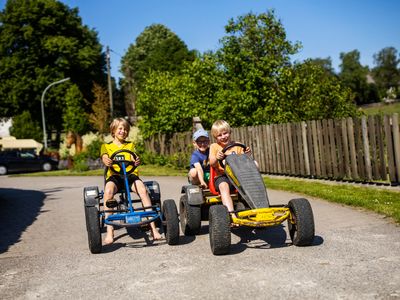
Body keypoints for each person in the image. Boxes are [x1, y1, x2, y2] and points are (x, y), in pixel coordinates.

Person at [100, 117, 162, 244]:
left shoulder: (130, 145)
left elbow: (135, 156)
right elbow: (104, 157)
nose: (123, 131)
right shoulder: (106, 146)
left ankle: (153, 229)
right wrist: (106, 160)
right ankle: (110, 231)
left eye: (125, 129)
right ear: (113, 131)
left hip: (130, 175)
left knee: (143, 190)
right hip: (115, 176)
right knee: (108, 191)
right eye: (120, 129)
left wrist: (137, 160)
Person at [209, 120, 253, 220]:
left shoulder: (238, 145)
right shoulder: (214, 147)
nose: (223, 136)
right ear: (215, 137)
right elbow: (211, 162)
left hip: (239, 176)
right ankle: (231, 214)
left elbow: (246, 161)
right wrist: (217, 157)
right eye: (219, 135)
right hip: (222, 176)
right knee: (224, 186)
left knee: (252, 183)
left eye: (225, 133)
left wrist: (247, 154)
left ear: (230, 132)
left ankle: (257, 210)